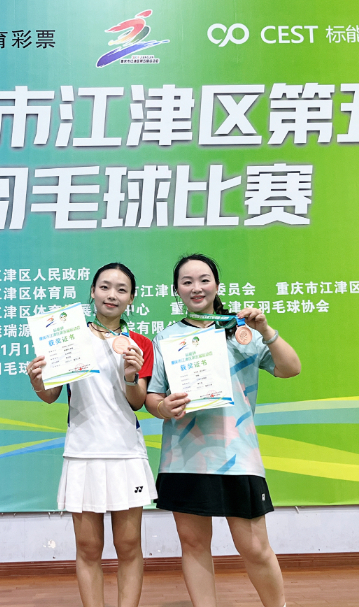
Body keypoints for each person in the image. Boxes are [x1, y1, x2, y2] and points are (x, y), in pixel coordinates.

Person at [144, 253, 301, 607]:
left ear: (217, 285)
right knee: (194, 545)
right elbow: (153, 397)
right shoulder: (166, 338)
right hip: (184, 458)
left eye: (204, 280)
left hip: (237, 455)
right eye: (187, 282)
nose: (196, 288)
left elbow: (290, 368)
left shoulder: (241, 332)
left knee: (254, 547)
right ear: (176, 290)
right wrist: (163, 408)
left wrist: (266, 330)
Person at [27, 262, 155, 607]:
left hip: (126, 453)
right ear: (93, 292)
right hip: (82, 452)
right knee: (88, 548)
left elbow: (137, 402)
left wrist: (131, 374)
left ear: (131, 298)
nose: (112, 295)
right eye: (105, 287)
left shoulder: (139, 344)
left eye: (121, 289)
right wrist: (37, 380)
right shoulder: (68, 337)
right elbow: (51, 395)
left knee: (129, 546)